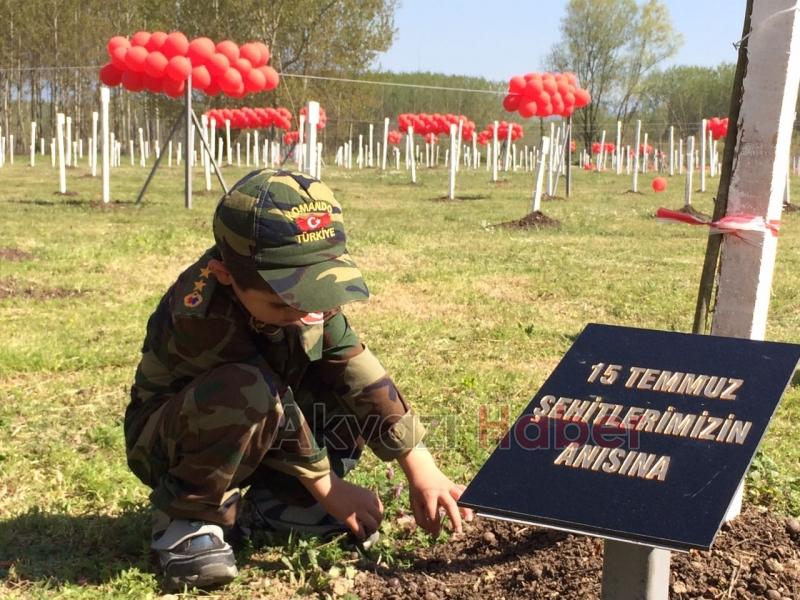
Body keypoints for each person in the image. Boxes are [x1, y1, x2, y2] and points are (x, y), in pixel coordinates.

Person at [124, 169, 472, 590]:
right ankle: (188, 518)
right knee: (247, 390)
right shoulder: (199, 311)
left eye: (316, 295)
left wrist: (421, 465)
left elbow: (355, 369)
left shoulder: (298, 299)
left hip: (260, 420)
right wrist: (329, 487)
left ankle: (281, 503)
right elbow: (268, 402)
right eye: (287, 300)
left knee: (339, 387)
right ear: (225, 275)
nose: (307, 312)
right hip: (173, 439)